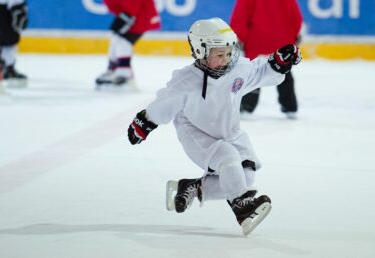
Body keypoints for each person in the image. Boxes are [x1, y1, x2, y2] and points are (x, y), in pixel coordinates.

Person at [126, 18, 301, 235]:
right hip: (196, 134)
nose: (226, 60)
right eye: (219, 55)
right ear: (200, 51)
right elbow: (164, 103)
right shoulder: (186, 81)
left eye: (229, 53)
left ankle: (193, 188)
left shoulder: (237, 69)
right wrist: (144, 123)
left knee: (245, 176)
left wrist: (279, 63)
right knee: (228, 157)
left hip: (230, 132)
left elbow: (259, 71)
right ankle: (241, 208)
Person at [230, 0, 303, 119]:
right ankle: (290, 107)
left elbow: (240, 16)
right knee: (284, 71)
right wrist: (294, 36)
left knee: (252, 72)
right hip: (282, 40)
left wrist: (240, 37)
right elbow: (296, 17)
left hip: (256, 41)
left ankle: (247, 107)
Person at [95, 0, 161, 88]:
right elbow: (116, 7)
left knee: (123, 42)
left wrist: (125, 17)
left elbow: (132, 8)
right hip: (133, 15)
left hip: (142, 17)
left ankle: (124, 73)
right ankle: (113, 69)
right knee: (116, 39)